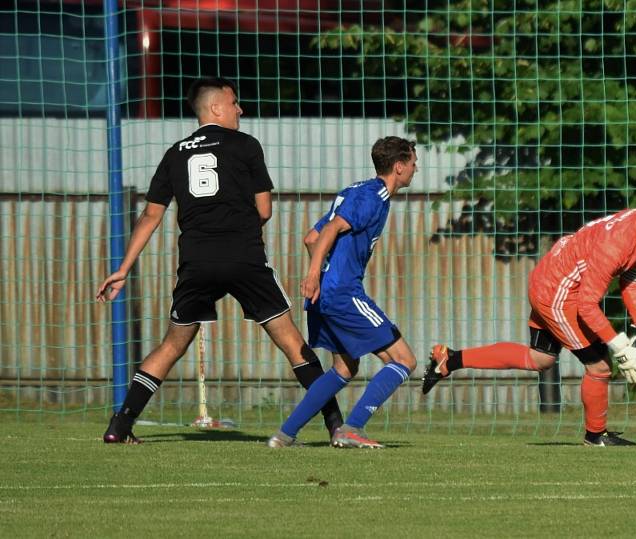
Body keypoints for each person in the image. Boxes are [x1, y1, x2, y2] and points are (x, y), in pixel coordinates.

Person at [97, 77, 342, 443]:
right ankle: (336, 425)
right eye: (234, 102)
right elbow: (264, 210)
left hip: (196, 262)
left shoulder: (175, 153)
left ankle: (120, 425)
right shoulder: (245, 145)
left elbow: (150, 216)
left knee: (172, 344)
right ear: (215, 108)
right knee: (291, 340)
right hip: (244, 258)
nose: (240, 109)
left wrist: (122, 269)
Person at [422, 192, 636, 446]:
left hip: (551, 278)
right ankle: (596, 436)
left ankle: (450, 359)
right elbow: (586, 306)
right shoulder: (617, 243)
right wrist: (621, 347)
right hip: (559, 292)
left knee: (541, 359)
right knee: (600, 367)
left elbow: (631, 284)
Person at [267, 136, 418, 449]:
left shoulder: (356, 190)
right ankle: (352, 428)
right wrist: (316, 276)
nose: (416, 169)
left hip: (325, 295)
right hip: (342, 292)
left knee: (344, 367)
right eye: (414, 164)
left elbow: (312, 238)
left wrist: (319, 277)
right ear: (399, 167)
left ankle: (284, 435)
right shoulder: (373, 196)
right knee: (404, 359)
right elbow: (333, 229)